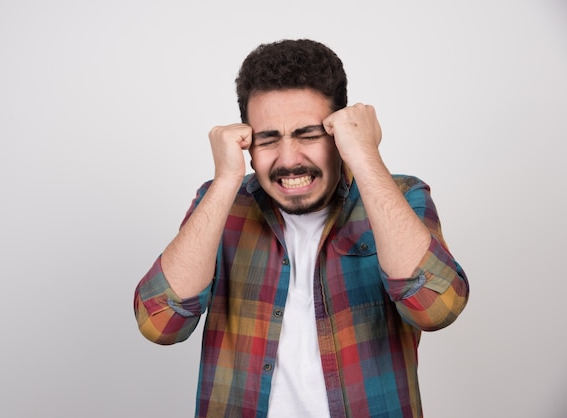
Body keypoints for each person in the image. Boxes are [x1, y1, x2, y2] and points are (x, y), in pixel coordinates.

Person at [133, 39, 469, 418]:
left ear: (340, 132)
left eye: (308, 135)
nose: (289, 159)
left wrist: (364, 155)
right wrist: (226, 178)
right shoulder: (221, 204)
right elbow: (160, 323)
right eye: (268, 139)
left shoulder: (401, 196)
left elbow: (436, 309)